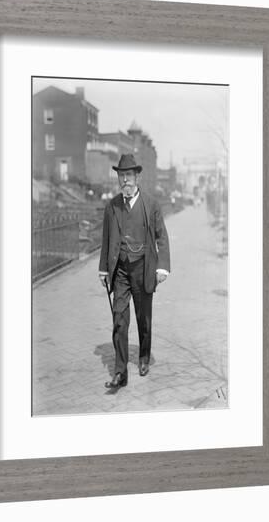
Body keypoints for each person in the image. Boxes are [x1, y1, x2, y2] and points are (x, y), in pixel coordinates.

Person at [99, 153, 171, 389]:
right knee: (119, 319)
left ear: (137, 177)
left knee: (143, 319)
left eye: (129, 175)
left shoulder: (151, 205)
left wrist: (162, 268)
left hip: (143, 268)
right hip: (120, 270)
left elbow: (162, 237)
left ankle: (143, 357)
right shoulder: (113, 206)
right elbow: (107, 238)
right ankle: (120, 372)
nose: (125, 181)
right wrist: (103, 270)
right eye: (121, 176)